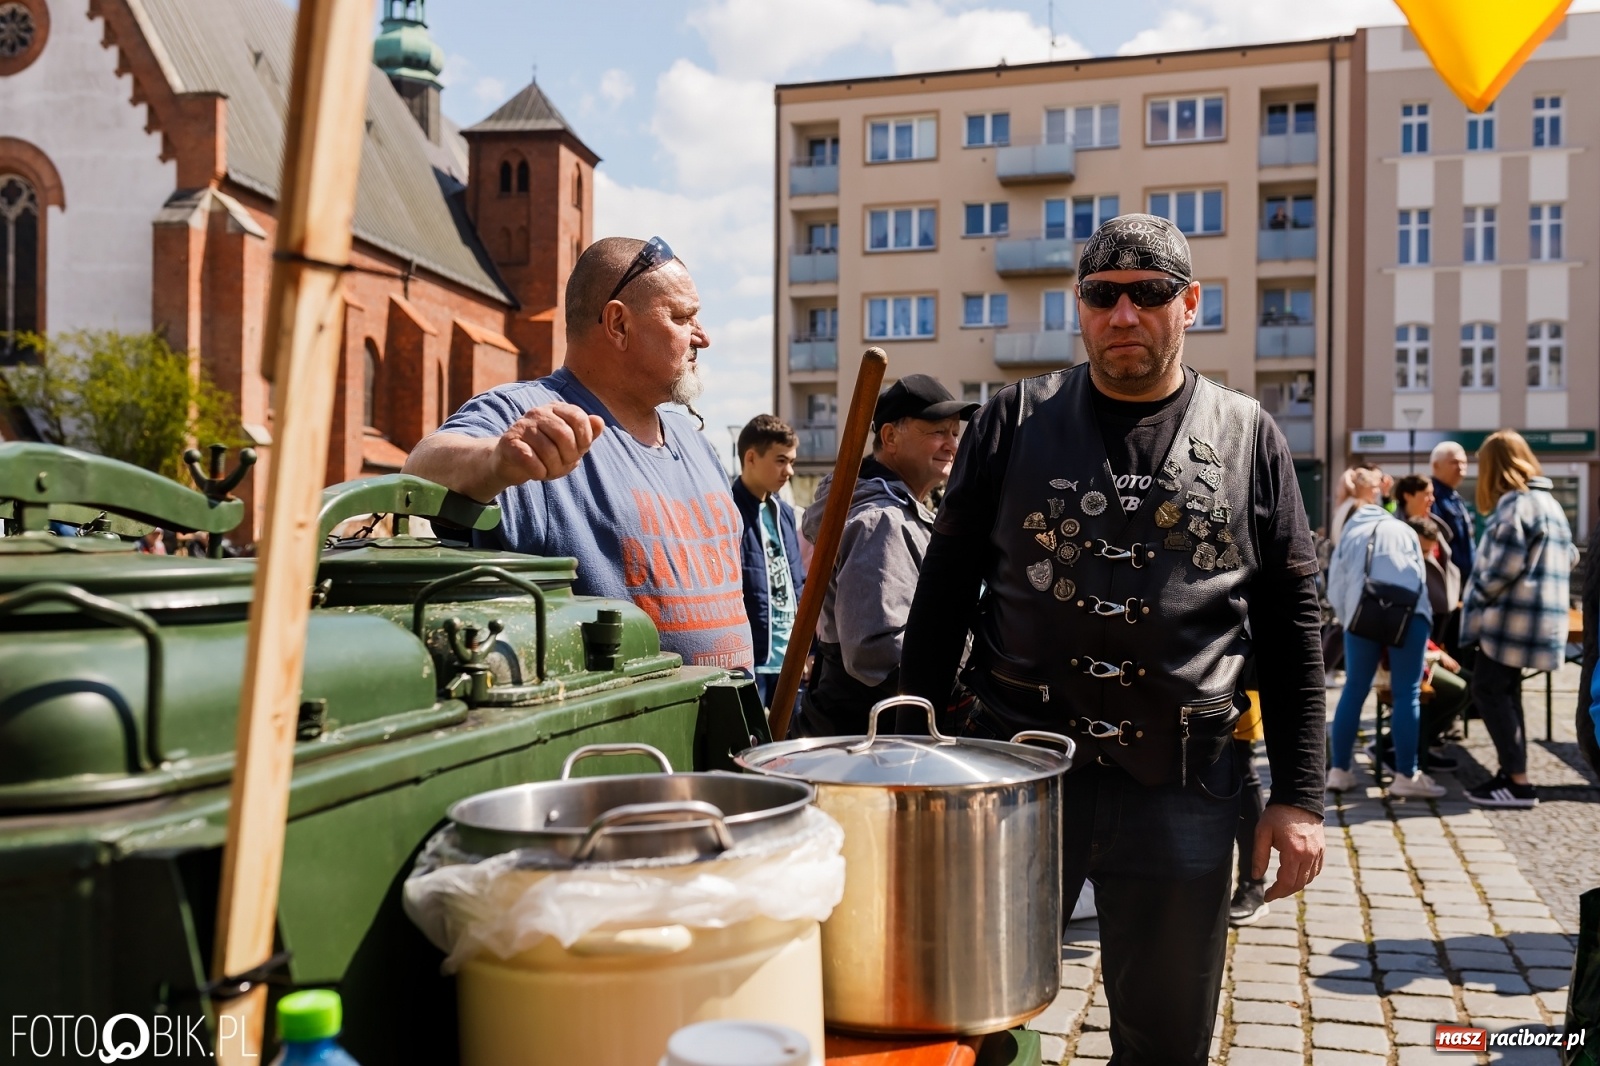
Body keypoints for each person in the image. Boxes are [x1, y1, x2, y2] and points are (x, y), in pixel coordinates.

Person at [898, 214, 1326, 1065]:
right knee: (966, 1023)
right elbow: (942, 593)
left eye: (1149, 294)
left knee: (1166, 1039)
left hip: (1185, 783)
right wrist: (909, 752)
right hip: (1015, 775)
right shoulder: (1011, 421)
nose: (1123, 315)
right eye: (1102, 296)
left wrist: (1301, 794)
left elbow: (1291, 624)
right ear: (1080, 307)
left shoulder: (1250, 437)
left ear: (1190, 302)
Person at [401, 236, 755, 672]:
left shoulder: (695, 441)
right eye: (683, 317)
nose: (703, 337)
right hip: (623, 737)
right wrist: (496, 460)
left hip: (736, 732)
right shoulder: (531, 415)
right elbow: (422, 467)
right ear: (619, 325)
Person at [795, 374, 976, 738]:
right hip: (869, 733)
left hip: (870, 724)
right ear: (891, 437)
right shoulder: (881, 521)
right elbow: (875, 652)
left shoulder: (897, 509)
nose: (952, 445)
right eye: (938, 432)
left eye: (955, 433)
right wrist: (963, 669)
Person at [1461, 430, 1576, 808]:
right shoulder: (1549, 503)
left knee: (1489, 691)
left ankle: (1518, 781)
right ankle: (1513, 775)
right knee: (1505, 694)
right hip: (1540, 621)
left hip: (1509, 624)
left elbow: (1499, 568)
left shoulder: (1516, 505)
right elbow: (1571, 556)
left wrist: (1474, 598)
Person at [1325, 471, 1442, 798]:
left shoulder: (1351, 532)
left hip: (1363, 614)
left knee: (1354, 689)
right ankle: (1406, 774)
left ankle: (1339, 770)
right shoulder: (1403, 529)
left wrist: (1350, 620)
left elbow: (1336, 584)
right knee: (1407, 693)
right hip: (1408, 616)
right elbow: (1418, 580)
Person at [731, 415, 806, 708]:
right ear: (751, 457)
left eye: (792, 461)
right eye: (780, 460)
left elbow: (797, 585)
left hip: (790, 665)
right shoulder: (726, 510)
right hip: (749, 666)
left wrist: (806, 651)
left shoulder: (785, 513)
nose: (789, 471)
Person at [1430, 440, 1475, 581]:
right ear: (1436, 465)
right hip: (1448, 580)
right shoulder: (1431, 496)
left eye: (1464, 463)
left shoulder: (1454, 498)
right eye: (1454, 462)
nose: (1461, 468)